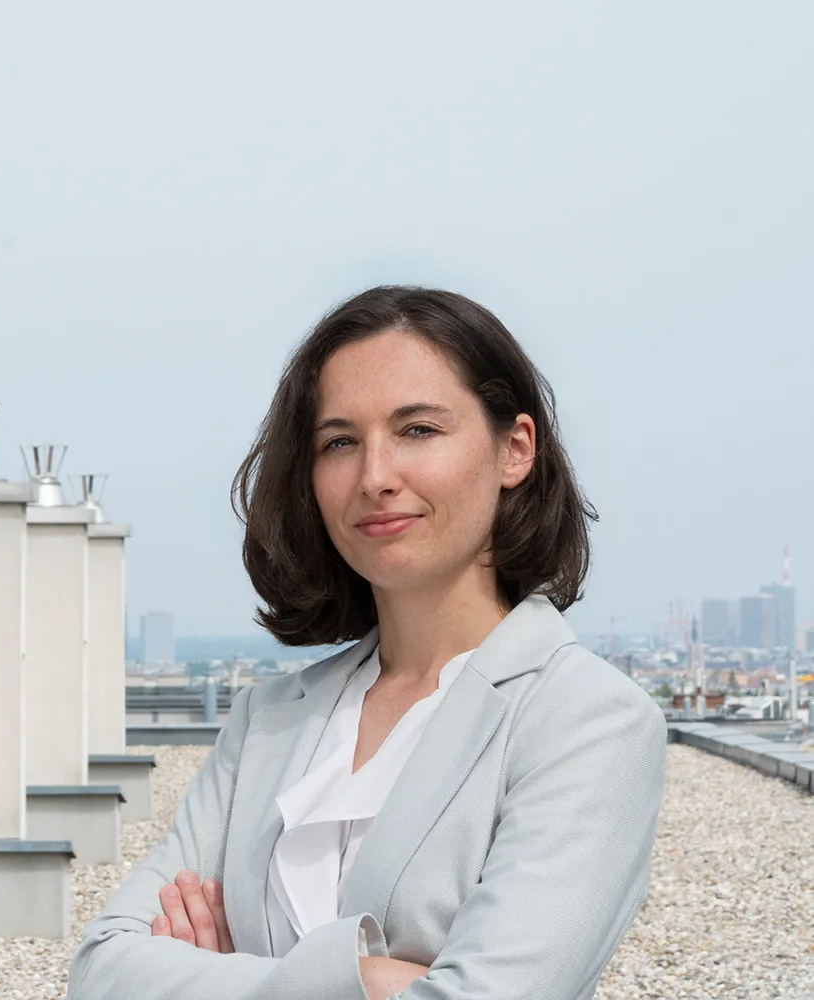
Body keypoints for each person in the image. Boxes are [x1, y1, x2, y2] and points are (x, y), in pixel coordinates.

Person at [67, 286, 667, 1000]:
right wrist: (361, 978)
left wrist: (217, 979)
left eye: (418, 430)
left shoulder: (589, 722)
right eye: (340, 442)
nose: (375, 477)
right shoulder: (269, 720)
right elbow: (103, 971)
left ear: (514, 449)